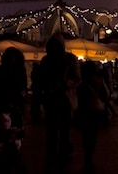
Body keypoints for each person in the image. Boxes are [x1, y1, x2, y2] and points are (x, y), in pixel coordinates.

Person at [33, 33, 81, 173]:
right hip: (51, 97)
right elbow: (41, 79)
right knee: (52, 129)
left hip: (65, 97)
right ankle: (53, 154)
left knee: (64, 127)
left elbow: (77, 78)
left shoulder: (69, 59)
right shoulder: (46, 60)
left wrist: (69, 83)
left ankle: (63, 151)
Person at [0, 45, 30, 174]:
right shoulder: (0, 72)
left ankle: (12, 159)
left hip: (12, 109)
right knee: (1, 136)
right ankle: (4, 160)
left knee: (12, 136)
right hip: (2, 108)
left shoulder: (19, 72)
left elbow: (22, 90)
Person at [75, 60, 111, 174]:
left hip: (84, 113)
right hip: (95, 113)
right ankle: (89, 159)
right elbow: (106, 95)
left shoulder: (81, 84)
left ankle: (87, 159)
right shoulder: (98, 81)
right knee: (92, 137)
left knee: (86, 137)